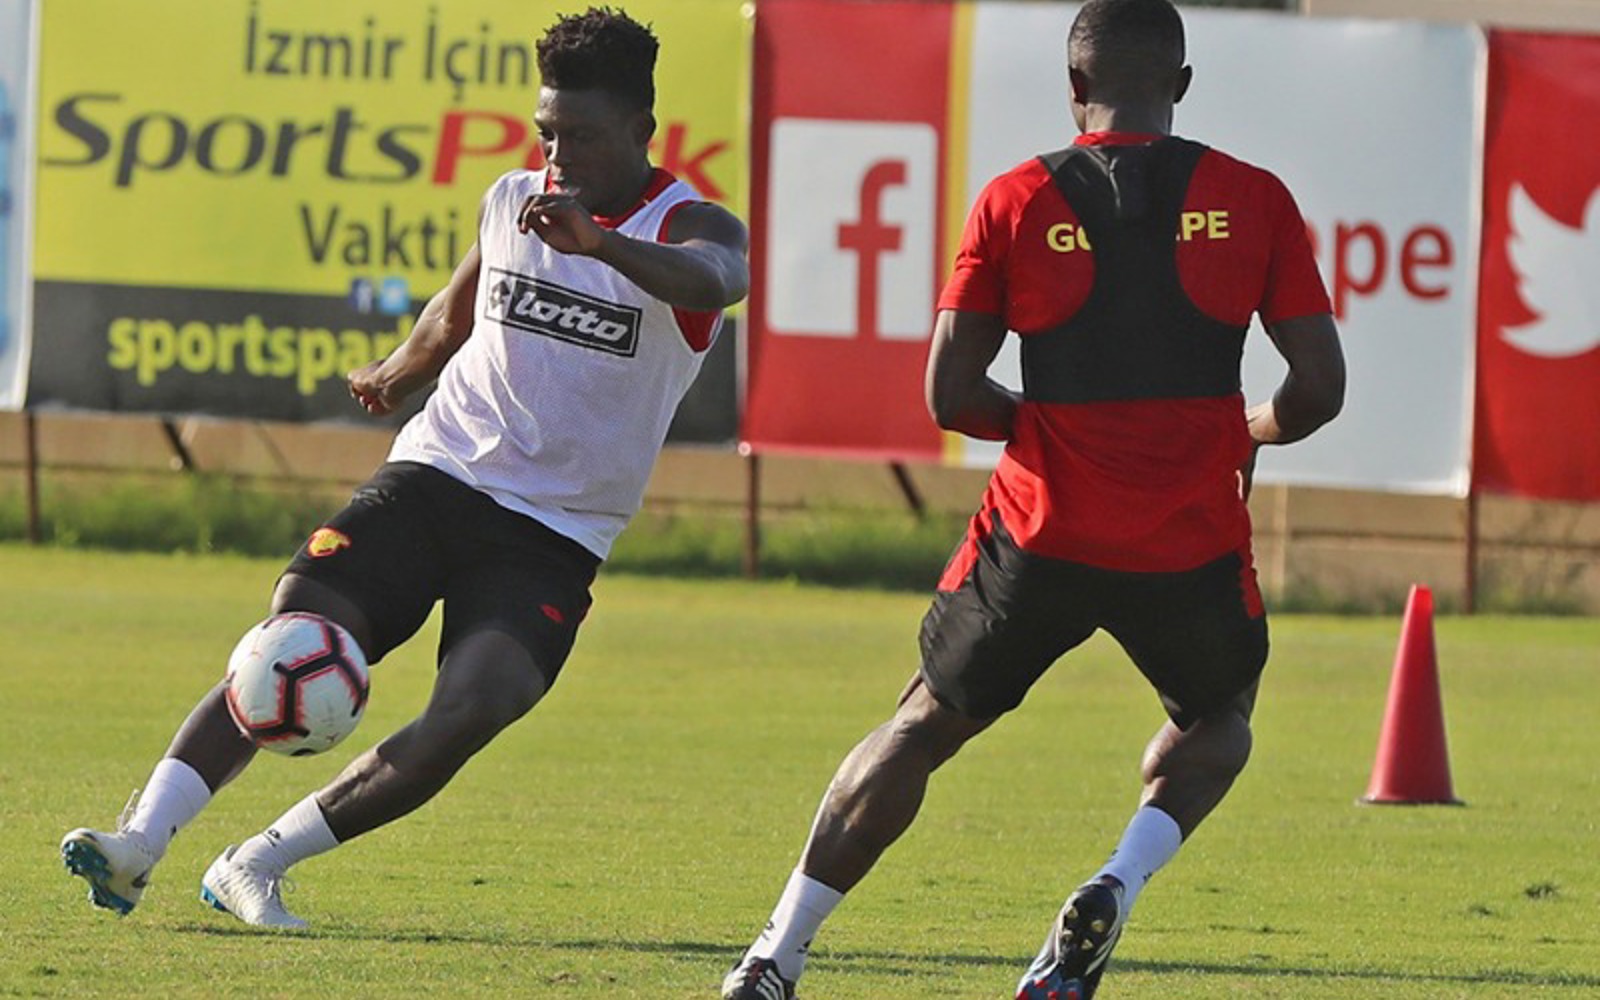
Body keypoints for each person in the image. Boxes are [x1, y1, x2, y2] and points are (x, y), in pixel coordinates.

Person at [62, 6, 748, 929]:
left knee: (477, 706)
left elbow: (717, 279)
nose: (556, 155)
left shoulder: (691, 223)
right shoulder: (513, 200)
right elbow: (454, 314)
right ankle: (137, 844)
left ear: (640, 130)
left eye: (580, 136)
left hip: (555, 530)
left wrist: (603, 243)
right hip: (438, 474)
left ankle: (256, 863)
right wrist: (394, 373)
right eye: (546, 131)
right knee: (293, 634)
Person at [721, 1, 1344, 997]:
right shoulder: (1254, 198)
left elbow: (950, 395)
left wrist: (1045, 425)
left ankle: (774, 954)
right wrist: (1244, 432)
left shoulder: (1014, 199)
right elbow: (1318, 389)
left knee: (922, 724)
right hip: (1186, 541)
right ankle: (1116, 879)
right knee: (1219, 722)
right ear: (1181, 86)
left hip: (1037, 531)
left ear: (1074, 88)